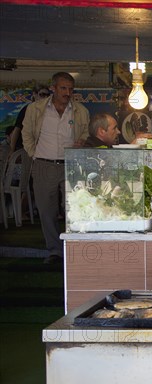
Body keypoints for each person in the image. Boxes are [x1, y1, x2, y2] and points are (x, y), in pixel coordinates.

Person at [22, 72, 90, 265]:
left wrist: (82, 141)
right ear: (53, 88)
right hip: (43, 164)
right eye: (63, 88)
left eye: (70, 89)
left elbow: (84, 132)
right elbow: (26, 134)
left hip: (71, 165)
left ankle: (75, 250)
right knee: (46, 210)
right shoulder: (35, 109)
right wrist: (33, 154)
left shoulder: (80, 111)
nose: (67, 93)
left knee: (75, 210)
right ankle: (54, 251)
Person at [8, 84, 51, 154]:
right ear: (35, 94)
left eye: (47, 95)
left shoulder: (49, 111)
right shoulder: (27, 109)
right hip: (25, 148)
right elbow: (17, 129)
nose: (45, 97)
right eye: (42, 94)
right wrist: (12, 149)